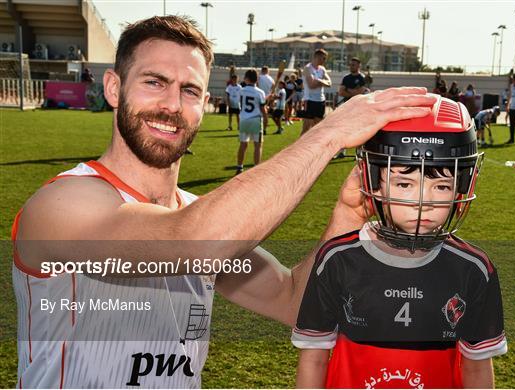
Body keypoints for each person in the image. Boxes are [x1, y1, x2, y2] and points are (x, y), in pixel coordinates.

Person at [12, 15, 437, 388]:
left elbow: (294, 302)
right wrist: (328, 134)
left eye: (190, 91)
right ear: (113, 88)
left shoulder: (201, 215)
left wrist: (347, 218)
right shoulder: (62, 204)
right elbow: (194, 241)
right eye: (154, 82)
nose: (171, 105)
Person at [293, 96, 507, 389]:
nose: (424, 202)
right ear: (372, 181)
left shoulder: (473, 269)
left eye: (442, 186)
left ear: (463, 185)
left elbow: (476, 368)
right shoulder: (338, 258)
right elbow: (314, 358)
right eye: (405, 184)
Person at [335, 57, 367, 158]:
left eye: (353, 64)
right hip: (347, 106)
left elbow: (361, 92)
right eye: (350, 64)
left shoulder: (362, 78)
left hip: (359, 107)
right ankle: (341, 151)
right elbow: (341, 92)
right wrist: (353, 92)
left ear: (359, 66)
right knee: (343, 129)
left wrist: (348, 91)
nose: (351, 66)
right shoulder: (346, 78)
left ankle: (360, 152)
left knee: (359, 129)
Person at [236, 69, 266, 174]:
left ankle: (239, 167)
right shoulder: (260, 92)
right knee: (258, 145)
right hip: (256, 120)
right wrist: (266, 118)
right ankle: (256, 169)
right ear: (256, 79)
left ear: (247, 78)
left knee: (243, 145)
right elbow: (262, 108)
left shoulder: (241, 90)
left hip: (244, 119)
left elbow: (240, 105)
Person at [301, 48, 331, 135]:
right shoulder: (308, 68)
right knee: (306, 128)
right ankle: (300, 148)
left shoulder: (322, 69)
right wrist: (321, 82)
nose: (324, 60)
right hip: (309, 100)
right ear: (317, 57)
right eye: (323, 58)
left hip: (320, 101)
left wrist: (319, 81)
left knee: (318, 128)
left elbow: (329, 83)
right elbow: (311, 85)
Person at [257, 65, 275, 135]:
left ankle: (259, 129)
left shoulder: (259, 77)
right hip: (267, 98)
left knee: (258, 114)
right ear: (267, 71)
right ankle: (264, 129)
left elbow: (256, 85)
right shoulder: (271, 78)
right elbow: (273, 88)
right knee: (265, 114)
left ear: (262, 70)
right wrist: (271, 96)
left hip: (259, 97)